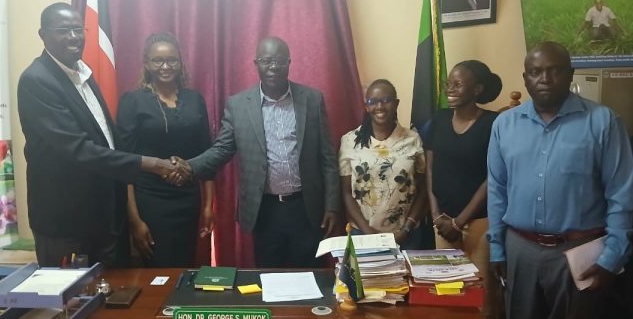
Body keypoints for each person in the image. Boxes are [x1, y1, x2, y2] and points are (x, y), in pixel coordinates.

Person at [487, 41, 633, 319]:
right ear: (525, 78)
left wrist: (613, 256)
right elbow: (497, 190)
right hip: (521, 250)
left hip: (578, 252)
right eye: (535, 72)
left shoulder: (603, 122)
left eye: (554, 70)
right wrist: (497, 248)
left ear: (570, 74)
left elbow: (622, 196)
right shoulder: (504, 125)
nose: (544, 79)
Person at [18, 2, 178, 267]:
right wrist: (152, 164)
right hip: (66, 222)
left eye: (78, 29)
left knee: (115, 287)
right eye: (63, 31)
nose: (74, 37)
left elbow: (107, 137)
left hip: (105, 214)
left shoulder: (83, 72)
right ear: (43, 35)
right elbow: (78, 149)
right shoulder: (37, 80)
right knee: (72, 292)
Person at [174, 36, 341, 268]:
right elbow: (222, 149)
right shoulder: (239, 105)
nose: (273, 66)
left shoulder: (312, 99)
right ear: (256, 64)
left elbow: (327, 157)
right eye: (266, 60)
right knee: (269, 274)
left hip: (306, 207)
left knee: (309, 274)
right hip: (264, 210)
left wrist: (332, 205)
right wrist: (189, 166)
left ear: (289, 63)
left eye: (279, 60)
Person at [116, 33, 214, 267]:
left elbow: (207, 155)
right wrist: (134, 220)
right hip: (151, 200)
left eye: (171, 60)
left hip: (188, 199)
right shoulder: (133, 101)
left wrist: (209, 206)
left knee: (185, 264)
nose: (165, 66)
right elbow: (124, 164)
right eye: (158, 60)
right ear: (147, 64)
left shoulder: (195, 100)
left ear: (180, 63)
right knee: (158, 270)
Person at [424, 60, 502, 319]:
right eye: (449, 83)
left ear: (477, 89)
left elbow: (492, 177)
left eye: (458, 84)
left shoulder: (493, 123)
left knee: (482, 299)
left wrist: (459, 222)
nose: (450, 89)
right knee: (448, 296)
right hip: (442, 224)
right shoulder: (439, 119)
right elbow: (430, 168)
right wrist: (437, 216)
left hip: (479, 223)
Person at [338, 79, 426, 246]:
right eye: (373, 101)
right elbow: (346, 193)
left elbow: (423, 189)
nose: (379, 106)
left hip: (407, 235)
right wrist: (368, 232)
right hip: (363, 234)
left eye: (386, 100)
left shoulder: (413, 139)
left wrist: (407, 228)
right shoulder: (350, 141)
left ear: (396, 104)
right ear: (366, 106)